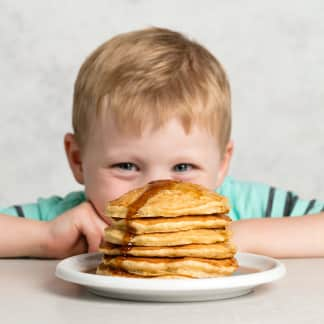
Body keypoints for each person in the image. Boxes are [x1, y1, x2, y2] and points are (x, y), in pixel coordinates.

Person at [1, 27, 323, 259]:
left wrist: (235, 236)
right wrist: (43, 239)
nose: (156, 192)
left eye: (183, 167)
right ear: (77, 160)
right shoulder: (72, 223)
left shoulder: (241, 207)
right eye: (126, 166)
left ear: (222, 163)